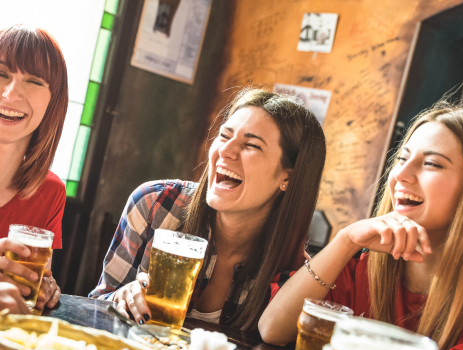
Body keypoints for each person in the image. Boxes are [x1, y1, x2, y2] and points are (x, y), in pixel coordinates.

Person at [259, 101, 463, 350]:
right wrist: (345, 240)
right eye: (403, 158)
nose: (401, 175)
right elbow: (272, 330)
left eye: (432, 163)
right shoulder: (362, 263)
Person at [90, 88, 327, 330]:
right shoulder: (155, 204)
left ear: (289, 177)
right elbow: (95, 306)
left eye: (252, 145)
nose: (225, 151)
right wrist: (119, 299)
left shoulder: (297, 275)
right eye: (225, 136)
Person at [0, 24, 68, 310]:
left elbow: (25, 292)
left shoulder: (50, 192)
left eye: (34, 81)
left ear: (53, 102)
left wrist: (42, 286)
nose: (10, 94)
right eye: (1, 74)